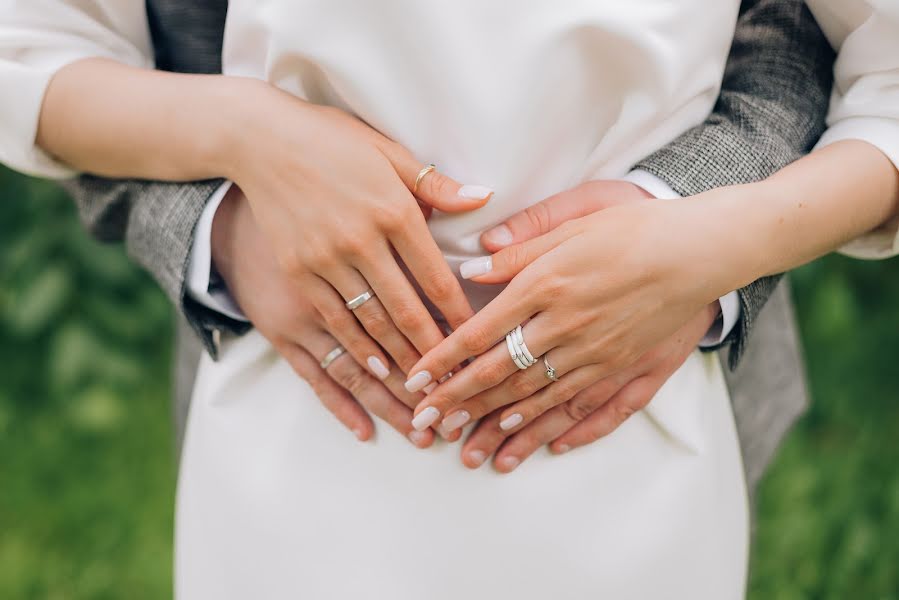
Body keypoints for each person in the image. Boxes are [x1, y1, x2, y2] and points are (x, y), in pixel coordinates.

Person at [0, 1, 875, 598]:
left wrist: (703, 238)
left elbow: (817, 48)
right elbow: (42, 49)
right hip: (290, 424)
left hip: (638, 425)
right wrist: (233, 183)